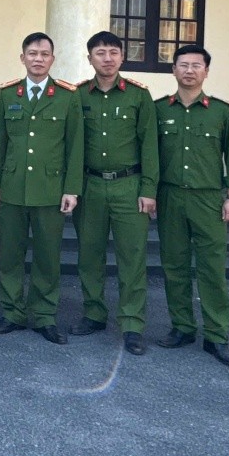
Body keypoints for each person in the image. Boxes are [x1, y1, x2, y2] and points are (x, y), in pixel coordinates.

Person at [0, 31, 83, 344]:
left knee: (47, 257)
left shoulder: (67, 96)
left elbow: (75, 146)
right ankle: (12, 312)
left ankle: (44, 315)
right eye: (32, 53)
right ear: (22, 58)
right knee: (10, 256)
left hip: (50, 190)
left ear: (52, 59)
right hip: (12, 188)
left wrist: (71, 189)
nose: (38, 59)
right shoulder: (8, 94)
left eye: (44, 54)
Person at [154, 44, 229, 368]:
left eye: (196, 65)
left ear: (206, 71)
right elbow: (150, 155)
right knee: (174, 265)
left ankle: (217, 335)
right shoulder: (159, 110)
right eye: (183, 65)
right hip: (169, 197)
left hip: (207, 200)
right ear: (173, 70)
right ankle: (182, 327)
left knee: (212, 268)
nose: (189, 70)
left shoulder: (222, 112)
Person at [69, 31, 159, 355]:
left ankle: (132, 323)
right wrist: (72, 189)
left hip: (128, 187)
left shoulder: (138, 96)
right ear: (89, 58)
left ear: (122, 56)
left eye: (113, 52)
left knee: (131, 257)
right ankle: (93, 313)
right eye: (100, 52)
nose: (107, 58)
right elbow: (71, 144)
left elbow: (150, 145)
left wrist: (149, 190)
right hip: (90, 185)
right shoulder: (78, 95)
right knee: (89, 254)